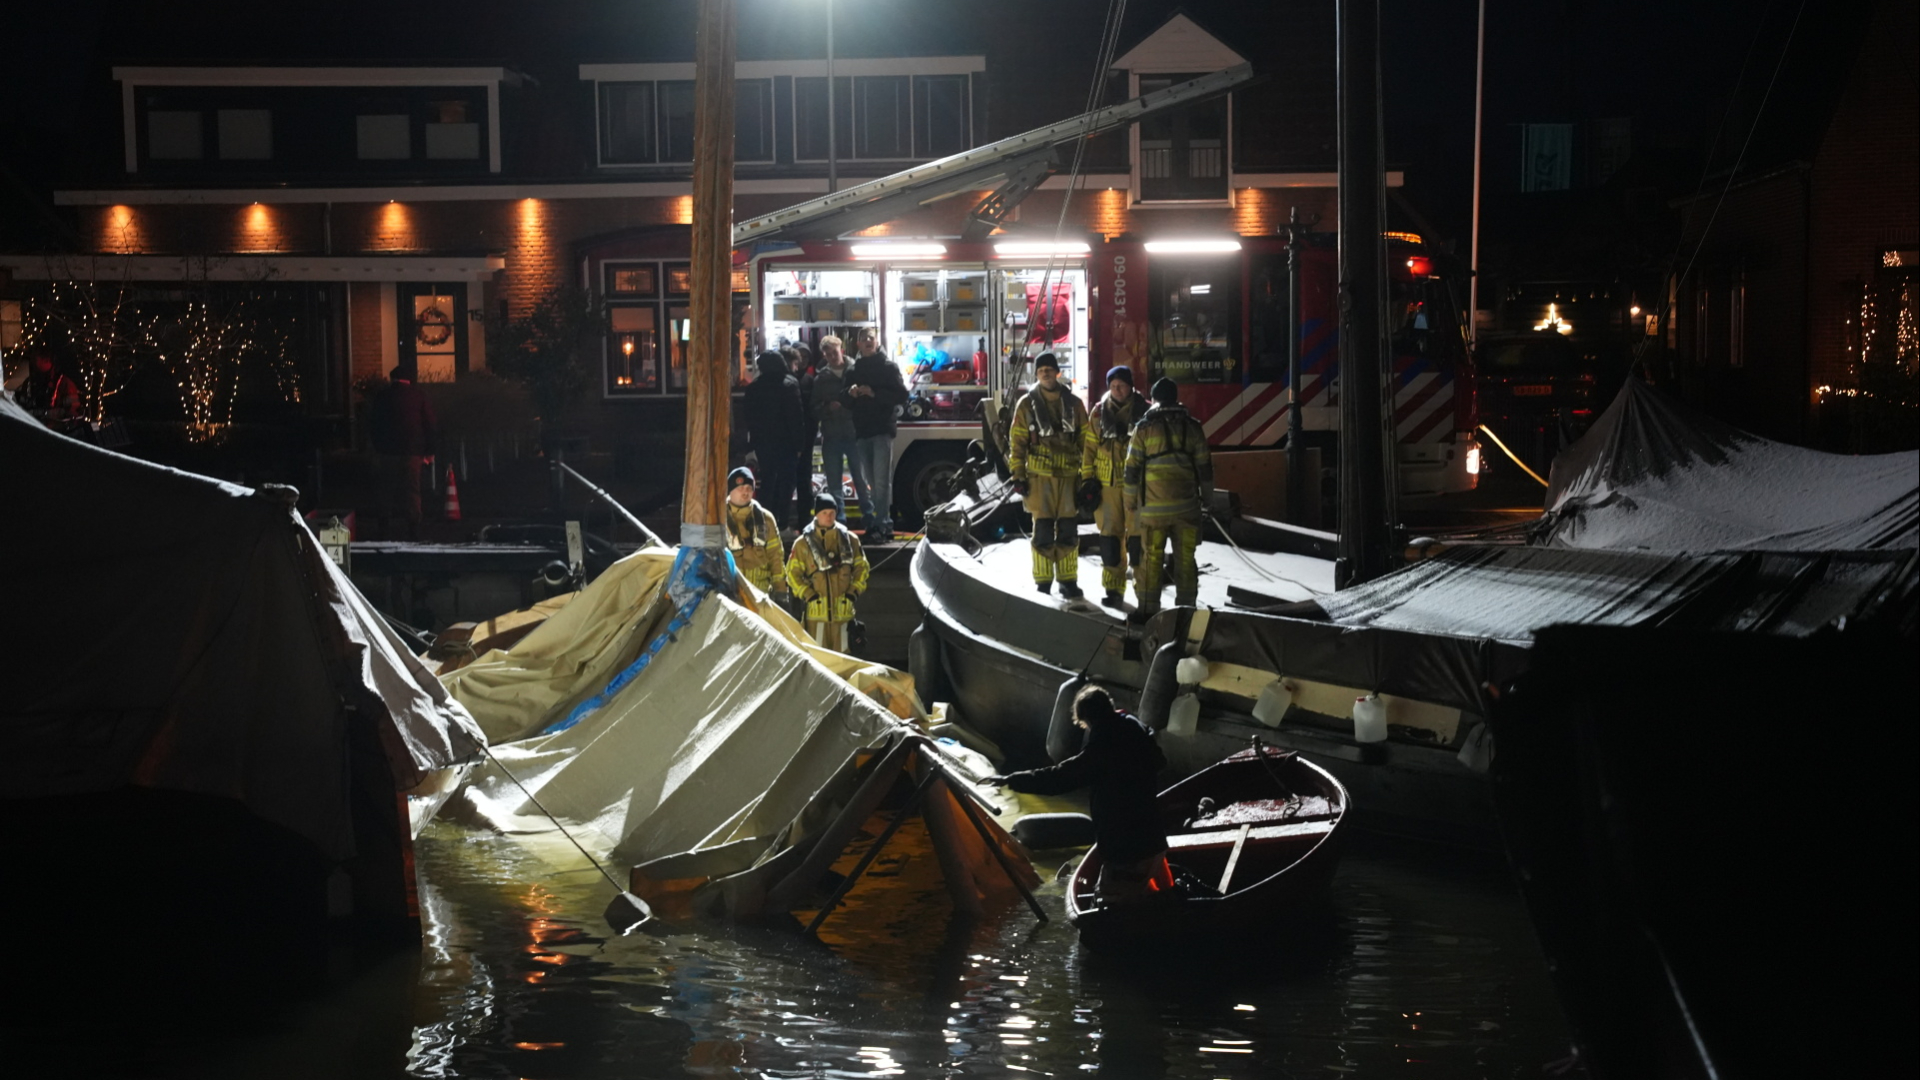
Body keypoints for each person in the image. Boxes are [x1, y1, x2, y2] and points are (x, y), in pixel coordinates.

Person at [985, 685, 1172, 901]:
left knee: (1108, 904)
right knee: (1157, 898)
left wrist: (1011, 779)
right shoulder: (1135, 727)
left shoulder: (1101, 748)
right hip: (1154, 838)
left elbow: (1058, 778)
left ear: (1088, 720)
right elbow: (1160, 762)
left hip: (1127, 848)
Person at [1123, 378, 1213, 619]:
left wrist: (1129, 502)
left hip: (1153, 512)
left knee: (1151, 560)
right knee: (1186, 560)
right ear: (1175, 398)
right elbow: (1205, 466)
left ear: (1153, 400)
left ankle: (1148, 612)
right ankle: (1186, 614)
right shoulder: (1193, 427)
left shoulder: (1143, 428)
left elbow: (1131, 470)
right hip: (1187, 509)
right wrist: (1208, 498)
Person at [1007, 353, 1089, 598]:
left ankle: (1068, 581)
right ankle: (1043, 583)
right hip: (1039, 478)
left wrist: (1088, 478)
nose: (1045, 373)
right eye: (1041, 369)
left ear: (1057, 373)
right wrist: (1017, 475)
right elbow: (1017, 443)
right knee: (1042, 530)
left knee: (1068, 530)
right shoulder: (1026, 405)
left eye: (1049, 369)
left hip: (1068, 478)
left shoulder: (1074, 404)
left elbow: (1087, 442)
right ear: (1036, 374)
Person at [1080, 365, 1150, 607]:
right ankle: (1113, 591)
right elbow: (1089, 450)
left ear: (1131, 386)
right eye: (1113, 386)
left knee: (1139, 542)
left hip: (1137, 489)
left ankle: (1143, 592)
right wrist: (1087, 480)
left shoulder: (1146, 412)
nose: (1117, 390)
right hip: (1106, 486)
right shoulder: (1098, 414)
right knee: (1110, 540)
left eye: (1121, 385)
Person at [786, 492, 870, 653]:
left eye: (832, 513)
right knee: (818, 660)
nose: (829, 517)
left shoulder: (850, 540)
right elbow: (792, 574)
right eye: (824, 513)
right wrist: (808, 594)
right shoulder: (802, 543)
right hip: (816, 616)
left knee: (846, 661)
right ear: (816, 514)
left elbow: (862, 568)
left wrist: (853, 592)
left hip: (844, 614)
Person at [845, 327, 907, 542]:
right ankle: (876, 523)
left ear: (877, 341)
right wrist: (851, 393)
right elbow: (844, 398)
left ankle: (883, 524)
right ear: (858, 345)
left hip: (881, 430)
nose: (868, 341)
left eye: (871, 337)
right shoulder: (853, 370)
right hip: (862, 431)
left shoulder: (888, 367)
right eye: (864, 339)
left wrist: (874, 393)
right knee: (870, 481)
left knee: (881, 482)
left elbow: (902, 394)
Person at [367, 363, 438, 541]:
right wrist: (430, 451)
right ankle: (413, 528)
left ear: (393, 378)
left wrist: (377, 447)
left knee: (386, 489)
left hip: (387, 451)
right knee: (412, 489)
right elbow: (430, 425)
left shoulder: (382, 396)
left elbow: (374, 424)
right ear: (409, 379)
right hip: (412, 451)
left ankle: (383, 528)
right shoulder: (419, 396)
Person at [739, 350, 807, 529]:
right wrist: (799, 444)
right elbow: (795, 417)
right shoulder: (790, 384)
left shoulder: (754, 387)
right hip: (786, 443)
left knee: (767, 482)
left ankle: (764, 521)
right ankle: (782, 522)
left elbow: (749, 418)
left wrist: (753, 443)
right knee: (786, 483)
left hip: (764, 443)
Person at [810, 335, 870, 526]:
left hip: (854, 433)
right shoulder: (821, 379)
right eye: (827, 354)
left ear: (841, 350)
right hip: (832, 434)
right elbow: (813, 407)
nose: (831, 356)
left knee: (861, 479)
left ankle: (869, 517)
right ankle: (840, 522)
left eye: (834, 352)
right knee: (834, 483)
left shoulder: (857, 371)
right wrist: (827, 408)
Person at [724, 466, 789, 598]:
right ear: (730, 491)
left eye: (749, 488)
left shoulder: (766, 519)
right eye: (740, 488)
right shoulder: (717, 519)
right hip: (729, 593)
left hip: (760, 593)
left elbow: (776, 556)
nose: (745, 492)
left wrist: (781, 591)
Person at [788, 341, 819, 530]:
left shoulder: (810, 381)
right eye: (800, 356)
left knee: (804, 479)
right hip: (790, 439)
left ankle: (804, 517)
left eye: (806, 357)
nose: (803, 361)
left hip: (806, 438)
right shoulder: (787, 379)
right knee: (789, 480)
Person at [18, 346, 80, 423]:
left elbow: (72, 413)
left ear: (46, 360)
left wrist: (49, 414)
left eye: (35, 359)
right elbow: (21, 409)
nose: (32, 362)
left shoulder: (64, 384)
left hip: (55, 430)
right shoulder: (28, 383)